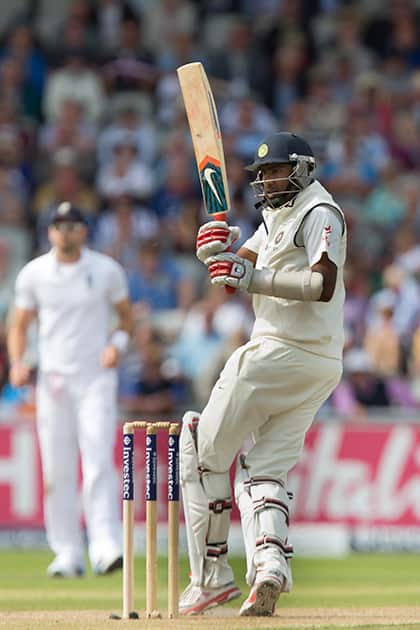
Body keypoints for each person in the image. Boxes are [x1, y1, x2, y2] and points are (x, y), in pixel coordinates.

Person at [179, 132, 346, 616]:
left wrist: (249, 277)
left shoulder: (320, 212)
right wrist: (215, 253)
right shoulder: (277, 214)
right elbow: (237, 270)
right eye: (264, 174)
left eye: (277, 171)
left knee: (199, 447)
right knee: (262, 470)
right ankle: (270, 566)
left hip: (280, 352)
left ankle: (210, 576)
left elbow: (321, 282)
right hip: (316, 365)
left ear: (304, 169)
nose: (269, 180)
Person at [7, 202, 133, 578]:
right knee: (57, 468)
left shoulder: (105, 270)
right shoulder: (34, 274)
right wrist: (17, 362)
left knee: (96, 460)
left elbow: (126, 318)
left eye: (72, 225)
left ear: (84, 231)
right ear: (50, 232)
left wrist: (118, 345)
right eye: (59, 226)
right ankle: (66, 551)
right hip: (54, 381)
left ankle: (105, 544)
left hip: (95, 377)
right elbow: (19, 324)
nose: (65, 231)